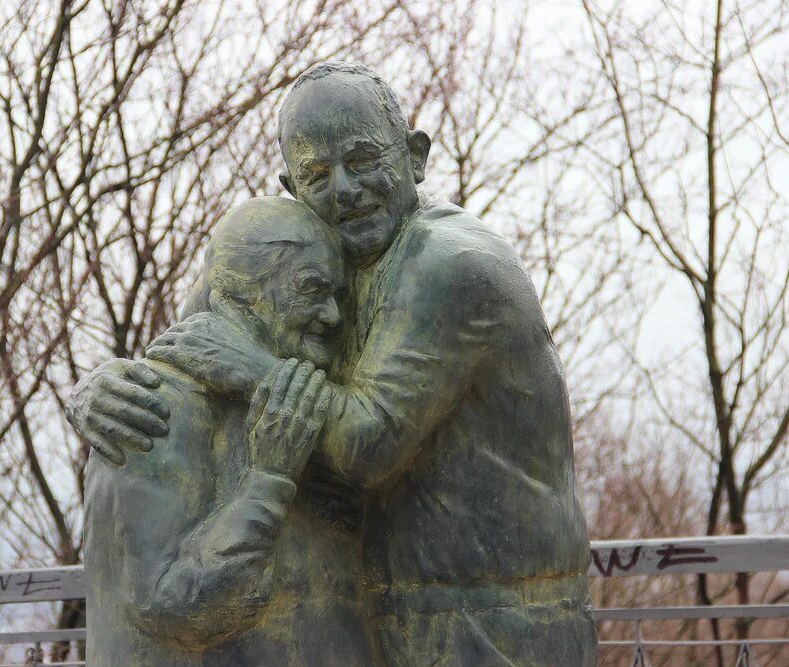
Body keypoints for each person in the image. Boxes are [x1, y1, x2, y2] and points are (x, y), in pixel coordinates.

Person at [76, 62, 598, 665]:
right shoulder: (305, 254)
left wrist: (254, 369)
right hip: (384, 616)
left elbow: (367, 445)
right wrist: (100, 386)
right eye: (317, 175)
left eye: (363, 159)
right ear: (292, 188)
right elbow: (199, 340)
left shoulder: (451, 264)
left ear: (415, 156)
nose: (344, 189)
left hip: (496, 618)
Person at [72, 197, 375, 666]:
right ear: (239, 292)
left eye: (337, 296)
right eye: (311, 290)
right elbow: (172, 606)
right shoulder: (154, 405)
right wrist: (267, 482)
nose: (333, 316)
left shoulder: (297, 397)